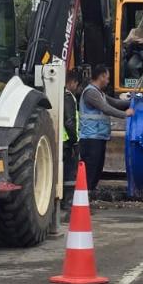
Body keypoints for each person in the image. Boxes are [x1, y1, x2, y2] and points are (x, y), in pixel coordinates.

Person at [78, 64, 134, 192]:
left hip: (99, 136)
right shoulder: (90, 93)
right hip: (90, 138)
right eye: (107, 78)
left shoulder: (99, 93)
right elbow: (106, 108)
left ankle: (88, 197)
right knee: (91, 171)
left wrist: (132, 102)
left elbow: (115, 102)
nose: (108, 81)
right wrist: (125, 114)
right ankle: (84, 198)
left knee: (97, 169)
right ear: (101, 76)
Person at [62, 69, 83, 197]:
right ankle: (68, 202)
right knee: (69, 173)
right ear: (72, 82)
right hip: (67, 142)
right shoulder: (68, 97)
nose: (77, 88)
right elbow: (69, 121)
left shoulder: (58, 95)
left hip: (62, 141)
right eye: (77, 84)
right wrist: (75, 141)